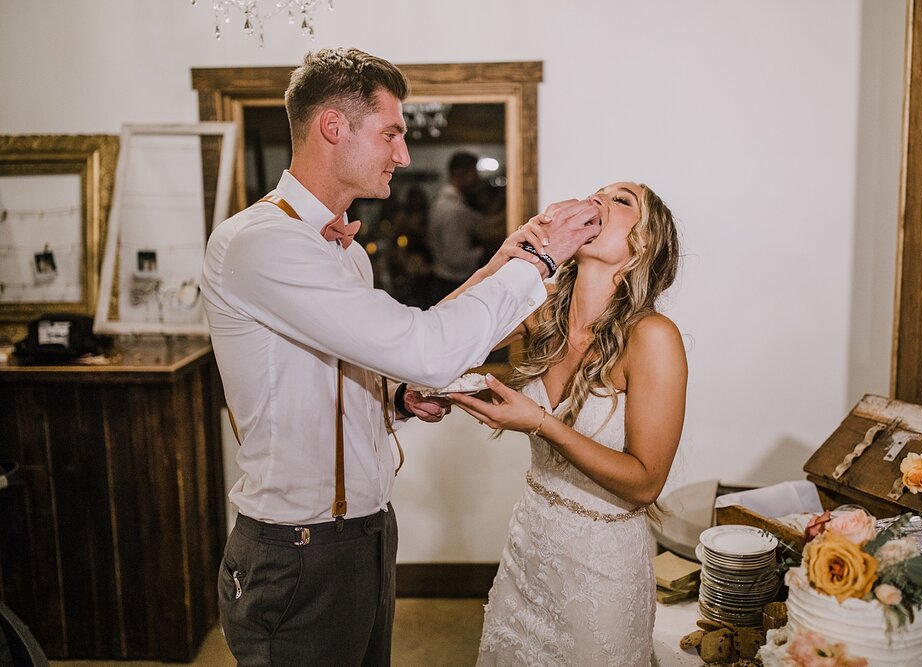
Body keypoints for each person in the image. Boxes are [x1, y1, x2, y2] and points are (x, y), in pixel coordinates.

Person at [200, 47, 601, 666]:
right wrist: (541, 264)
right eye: (392, 133)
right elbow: (427, 348)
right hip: (297, 550)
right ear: (334, 126)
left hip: (366, 531)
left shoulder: (345, 251)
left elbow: (380, 350)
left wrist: (395, 391)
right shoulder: (261, 245)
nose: (404, 155)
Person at [449, 181, 688, 666]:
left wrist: (539, 421)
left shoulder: (653, 337)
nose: (597, 200)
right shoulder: (542, 310)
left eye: (620, 200)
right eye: (595, 193)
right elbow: (441, 337)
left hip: (602, 568)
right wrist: (504, 259)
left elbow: (645, 483)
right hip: (529, 548)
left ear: (644, 242)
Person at [426, 151, 487, 304]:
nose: (477, 178)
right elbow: (456, 259)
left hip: (444, 281)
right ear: (460, 173)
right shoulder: (453, 209)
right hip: (452, 284)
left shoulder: (445, 202)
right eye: (474, 172)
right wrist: (484, 253)